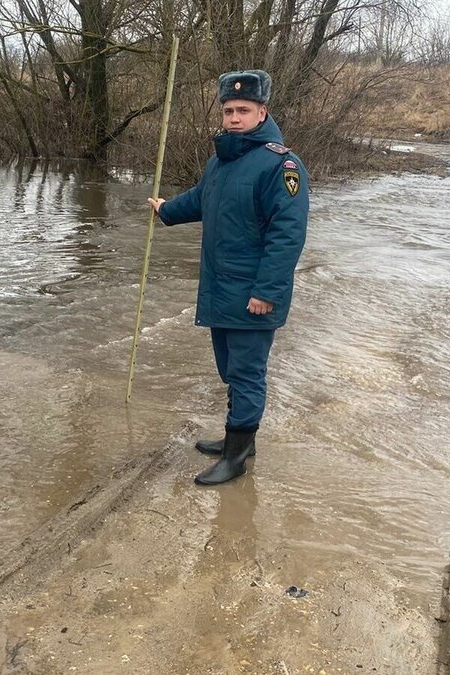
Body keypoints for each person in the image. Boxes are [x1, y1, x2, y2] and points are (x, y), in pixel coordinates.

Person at [147, 69, 309, 486]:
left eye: (243, 110)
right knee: (228, 368)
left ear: (262, 112)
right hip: (220, 288)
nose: (234, 117)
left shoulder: (282, 166)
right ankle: (240, 439)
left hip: (254, 294)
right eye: (228, 110)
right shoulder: (220, 160)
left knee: (246, 372)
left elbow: (287, 235)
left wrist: (267, 291)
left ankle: (236, 458)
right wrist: (167, 210)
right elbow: (202, 199)